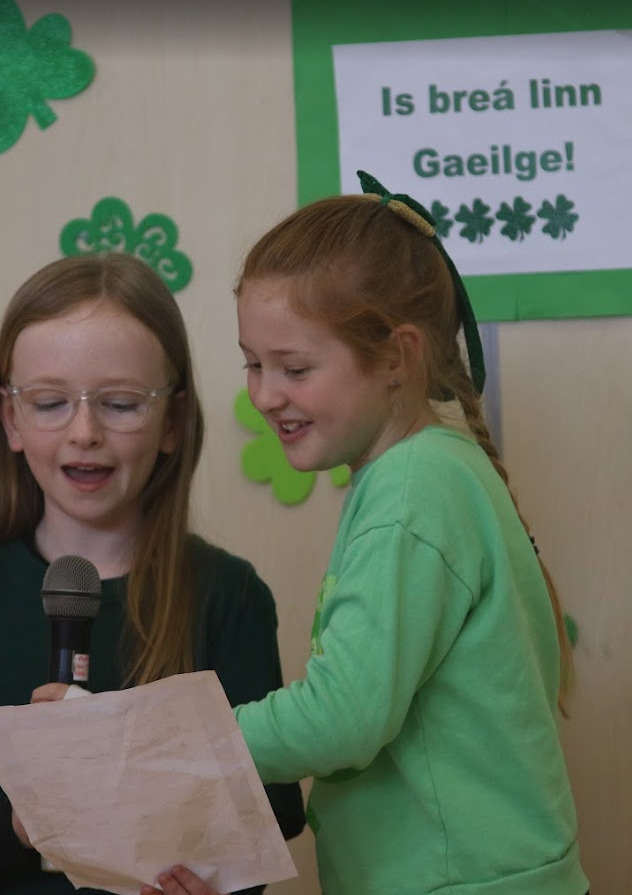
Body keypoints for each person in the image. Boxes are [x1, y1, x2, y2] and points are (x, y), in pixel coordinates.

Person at [141, 173, 589, 895]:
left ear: (395, 357)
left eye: (295, 367)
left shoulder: (413, 489)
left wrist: (175, 742)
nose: (264, 394)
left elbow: (342, 718)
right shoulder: (428, 472)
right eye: (253, 363)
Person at [0, 253, 305, 895]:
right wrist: (30, 824)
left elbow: (274, 813)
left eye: (121, 404)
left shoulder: (229, 595)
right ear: (11, 420)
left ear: (172, 423)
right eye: (50, 402)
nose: (84, 432)